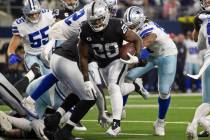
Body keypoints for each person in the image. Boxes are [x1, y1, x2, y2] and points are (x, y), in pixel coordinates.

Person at [78, 1, 143, 136]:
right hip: (102, 64)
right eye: (93, 21)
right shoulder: (85, 29)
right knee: (117, 88)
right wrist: (86, 80)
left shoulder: (117, 24)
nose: (96, 24)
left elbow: (137, 39)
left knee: (113, 87)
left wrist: (136, 57)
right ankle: (136, 86)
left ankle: (116, 125)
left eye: (99, 19)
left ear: (106, 15)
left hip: (117, 60)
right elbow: (83, 56)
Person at [123, 6, 178, 136]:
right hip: (152, 54)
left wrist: (137, 54)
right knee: (127, 77)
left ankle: (160, 122)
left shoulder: (150, 28)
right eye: (129, 26)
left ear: (141, 20)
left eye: (133, 25)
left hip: (166, 55)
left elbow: (148, 39)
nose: (131, 28)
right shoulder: (136, 27)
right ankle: (122, 108)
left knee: (164, 91)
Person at [186, 0, 210, 139]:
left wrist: (197, 27)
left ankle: (195, 124)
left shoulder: (203, 20)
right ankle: (203, 122)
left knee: (207, 101)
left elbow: (199, 44)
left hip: (208, 60)